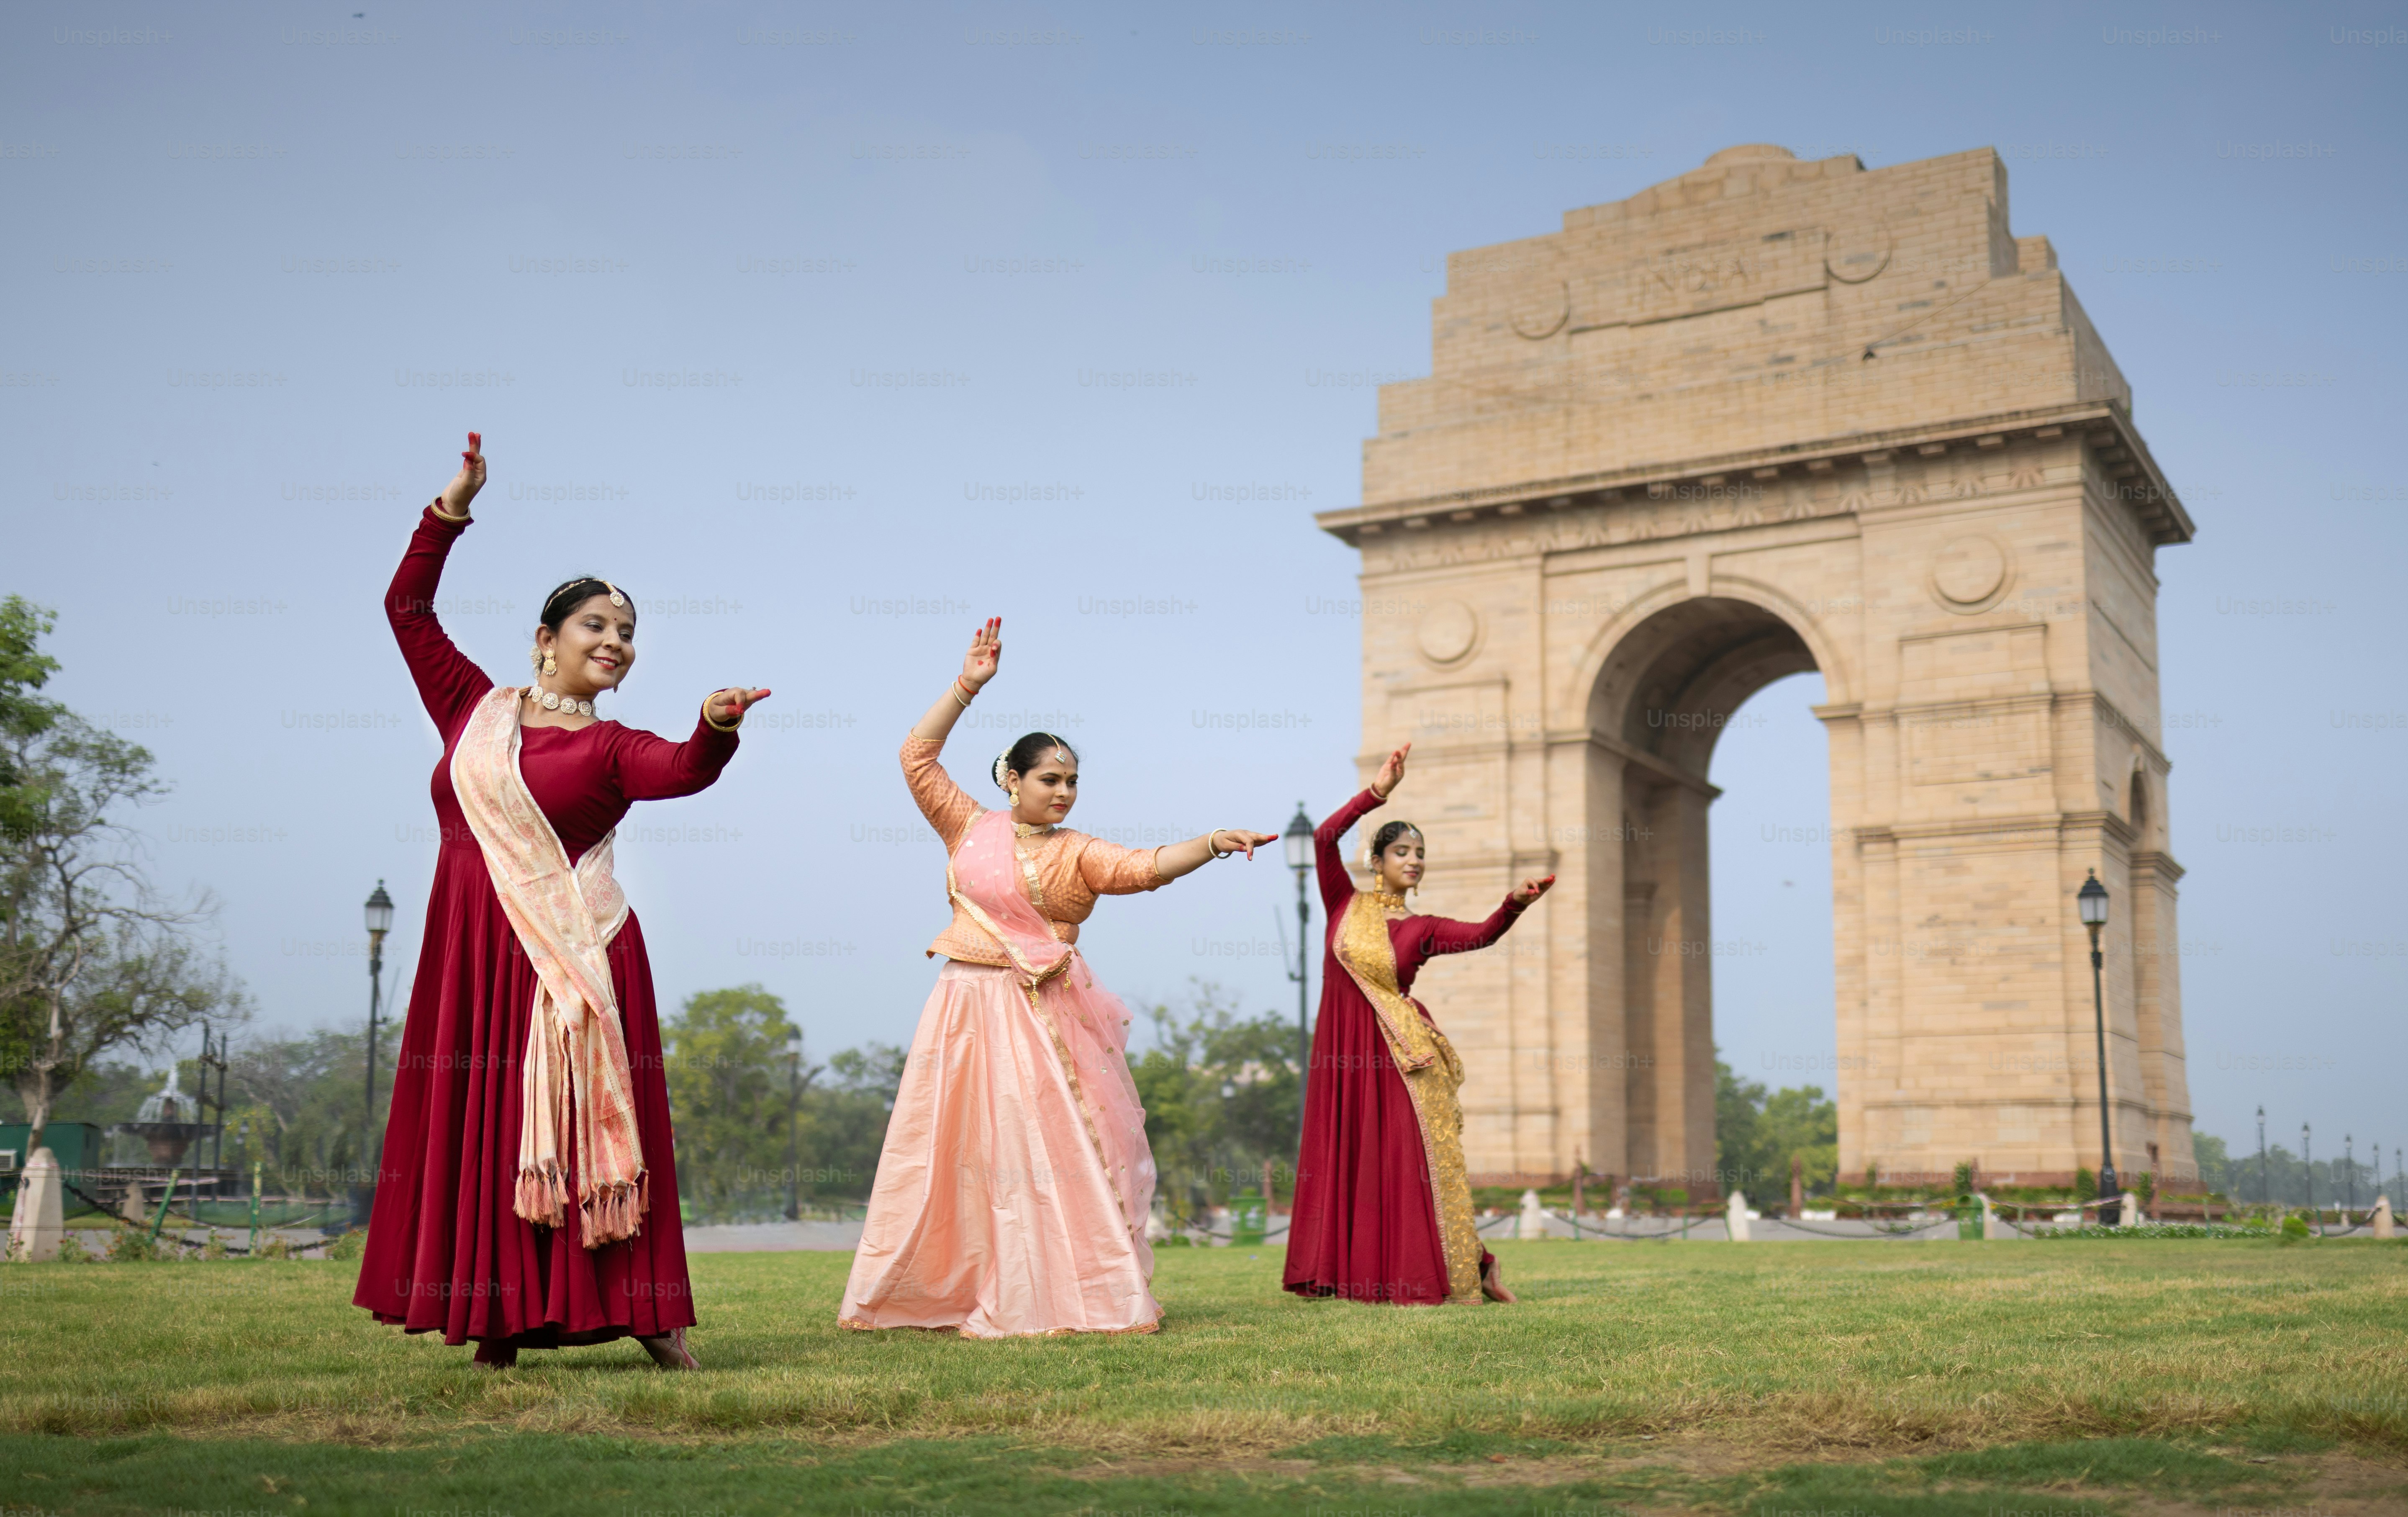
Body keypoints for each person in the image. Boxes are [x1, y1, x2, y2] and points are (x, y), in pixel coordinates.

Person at [354, 432, 768, 1370]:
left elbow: (683, 771)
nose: (615, 645)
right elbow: (406, 608)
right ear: (547, 639)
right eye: (596, 628)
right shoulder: (473, 709)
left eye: (626, 636)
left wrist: (714, 727)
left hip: (576, 953)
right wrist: (451, 508)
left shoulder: (615, 748)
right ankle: (496, 1321)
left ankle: (651, 1320)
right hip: (473, 949)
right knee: (490, 1125)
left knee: (592, 1122)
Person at [839, 618, 1276, 1337]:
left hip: (1036, 1011)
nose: (1065, 792)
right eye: (1050, 779)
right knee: (951, 1147)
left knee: (1043, 1147)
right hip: (961, 1003)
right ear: (1012, 780)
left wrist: (1211, 844)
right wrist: (967, 686)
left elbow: (1142, 869)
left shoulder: (1079, 852)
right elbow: (916, 755)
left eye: (1073, 781)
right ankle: (945, 1289)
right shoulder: (967, 826)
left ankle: (1061, 1291)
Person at [1283, 741, 1553, 1307]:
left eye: (1420, 853)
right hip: (1342, 1059)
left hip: (1402, 1057)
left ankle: (1467, 1268)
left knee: (1412, 1166)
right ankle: (1350, 1274)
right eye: (1402, 850)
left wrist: (1513, 905)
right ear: (1376, 861)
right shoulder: (1342, 904)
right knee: (1352, 1161)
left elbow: (1480, 934)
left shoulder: (1423, 927)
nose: (1413, 860)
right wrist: (1376, 793)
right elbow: (1323, 837)